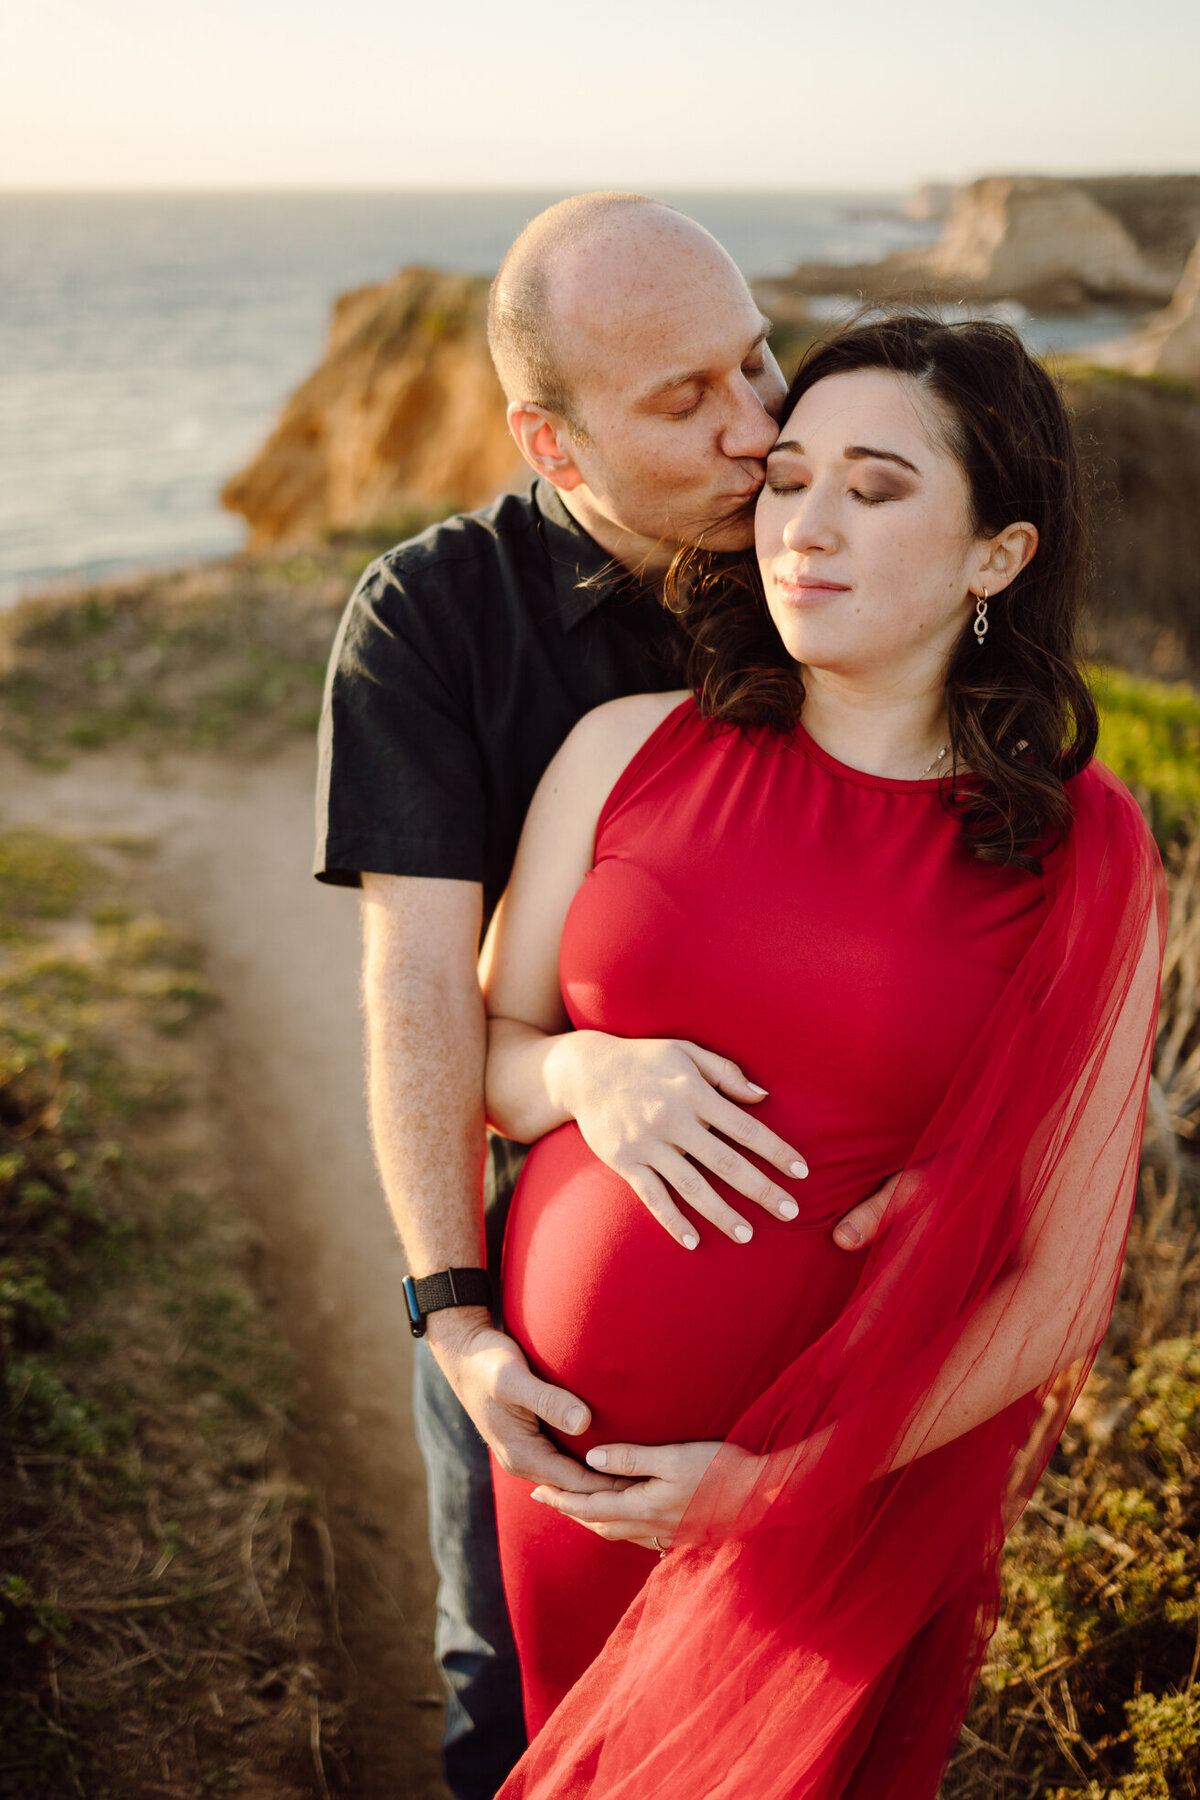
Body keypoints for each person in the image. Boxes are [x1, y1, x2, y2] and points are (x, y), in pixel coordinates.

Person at [479, 312, 1166, 1798]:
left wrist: (774, 1492)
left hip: (824, 1521)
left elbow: (1060, 1290)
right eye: (789, 479)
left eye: (878, 486)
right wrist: (584, 1076)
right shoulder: (624, 748)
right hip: (571, 1493)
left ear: (997, 556)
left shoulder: (1077, 850)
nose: (808, 525)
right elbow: (488, 1045)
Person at [315, 192, 889, 1799]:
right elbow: (421, 982)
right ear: (552, 445)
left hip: (827, 1323)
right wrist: (456, 1315)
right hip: (543, 1281)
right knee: (517, 1705)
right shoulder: (435, 620)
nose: (761, 429)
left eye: (758, 362)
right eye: (686, 401)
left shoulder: (833, 555)